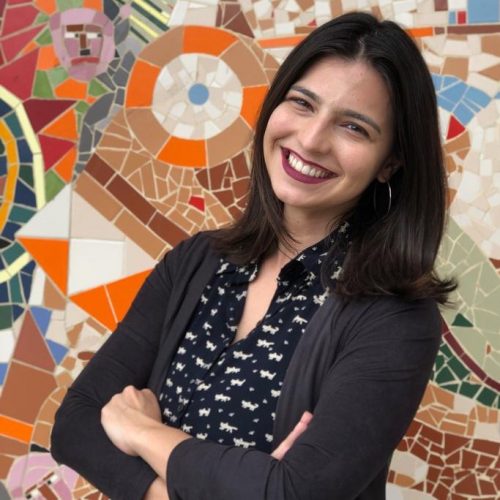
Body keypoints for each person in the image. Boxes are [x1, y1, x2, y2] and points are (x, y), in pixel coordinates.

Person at [51, 11, 456, 500]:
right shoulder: (196, 262)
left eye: (353, 127)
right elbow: (75, 425)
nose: (311, 139)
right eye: (302, 103)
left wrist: (141, 431)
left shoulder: (396, 318)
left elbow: (293, 494)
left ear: (390, 162)